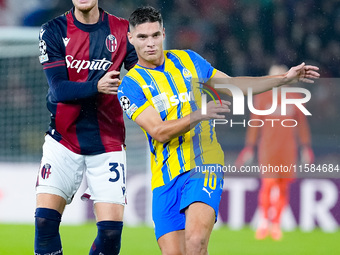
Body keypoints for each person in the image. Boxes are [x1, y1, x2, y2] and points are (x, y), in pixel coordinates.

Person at [118, 6, 319, 255]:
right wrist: (199, 114)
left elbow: (234, 84)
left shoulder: (189, 60)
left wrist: (284, 79)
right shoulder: (129, 86)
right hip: (165, 177)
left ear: (164, 33)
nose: (150, 43)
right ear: (130, 38)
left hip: (205, 163)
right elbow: (159, 131)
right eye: (142, 37)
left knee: (195, 242)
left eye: (155, 35)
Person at [35, 0, 137, 254]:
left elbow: (141, 78)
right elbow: (59, 88)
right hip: (63, 140)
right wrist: (96, 86)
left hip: (108, 141)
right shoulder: (53, 30)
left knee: (111, 233)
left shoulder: (123, 30)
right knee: (45, 220)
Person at [235, 64, 314, 241]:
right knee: (268, 185)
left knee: (283, 187)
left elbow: (302, 126)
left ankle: (276, 224)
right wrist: (249, 147)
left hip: (288, 149)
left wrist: (306, 148)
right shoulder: (263, 97)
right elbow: (255, 124)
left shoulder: (296, 98)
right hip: (268, 148)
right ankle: (264, 222)